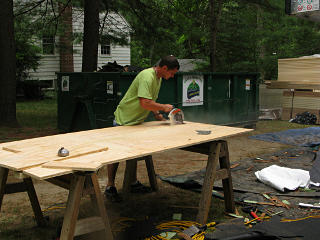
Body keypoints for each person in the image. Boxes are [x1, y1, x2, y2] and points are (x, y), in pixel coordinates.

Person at [105, 55, 180, 201]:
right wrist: (164, 107)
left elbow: (150, 100)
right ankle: (110, 187)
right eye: (171, 73)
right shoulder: (147, 76)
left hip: (136, 121)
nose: (171, 77)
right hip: (124, 120)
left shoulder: (157, 78)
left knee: (135, 153)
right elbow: (144, 102)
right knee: (115, 156)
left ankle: (132, 183)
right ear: (164, 68)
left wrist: (157, 114)